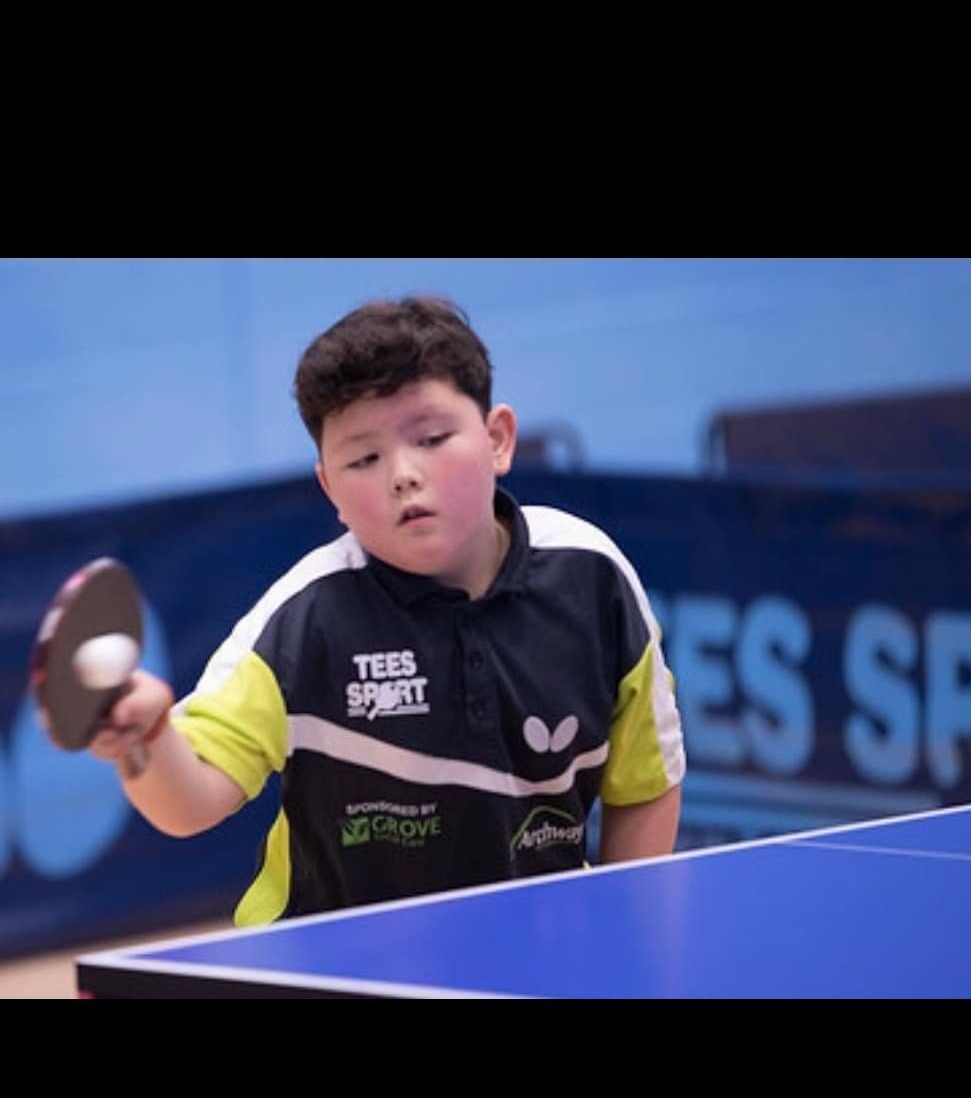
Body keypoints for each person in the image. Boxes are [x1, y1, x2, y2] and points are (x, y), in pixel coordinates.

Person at [89, 296, 686, 924]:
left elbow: (645, 783)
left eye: (432, 439)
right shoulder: (302, 620)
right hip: (322, 960)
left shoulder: (591, 577)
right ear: (330, 488)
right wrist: (146, 740)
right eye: (364, 459)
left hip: (537, 945)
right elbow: (189, 804)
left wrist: (628, 936)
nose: (402, 474)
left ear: (497, 440)